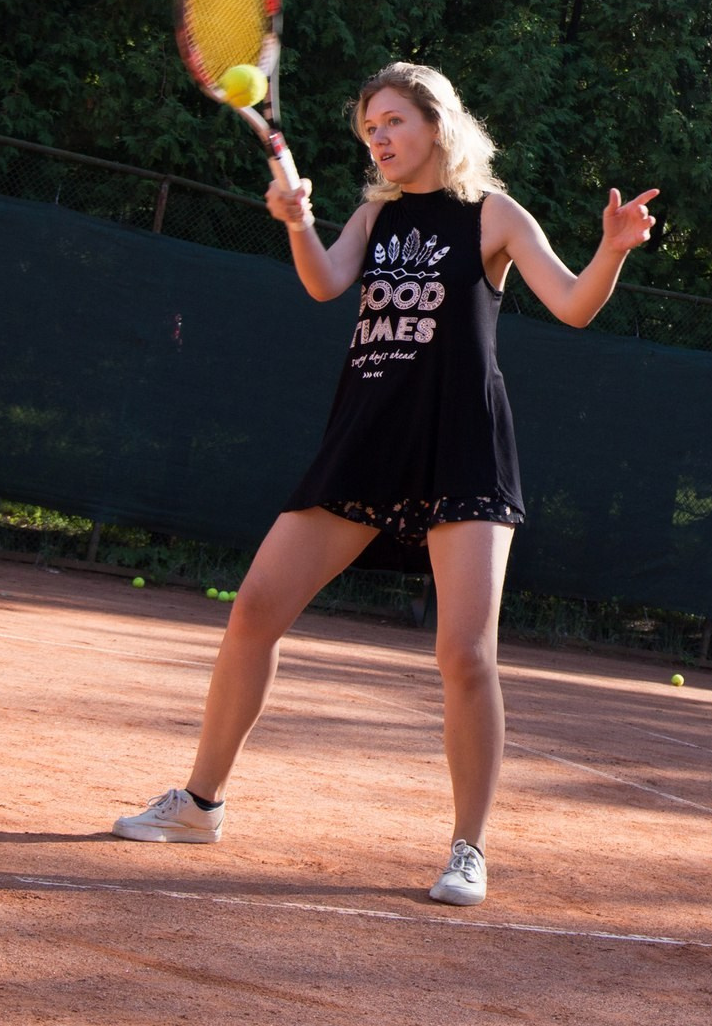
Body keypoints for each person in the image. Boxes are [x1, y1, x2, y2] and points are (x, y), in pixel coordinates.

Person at [112, 62, 658, 906]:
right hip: (365, 441)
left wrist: (612, 250)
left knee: (464, 654)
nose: (380, 138)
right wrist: (297, 222)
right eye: (370, 128)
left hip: (461, 449)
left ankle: (468, 848)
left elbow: (576, 303)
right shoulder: (375, 216)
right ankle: (200, 803)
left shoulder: (495, 216)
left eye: (393, 121)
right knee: (254, 609)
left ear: (437, 124)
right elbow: (325, 281)